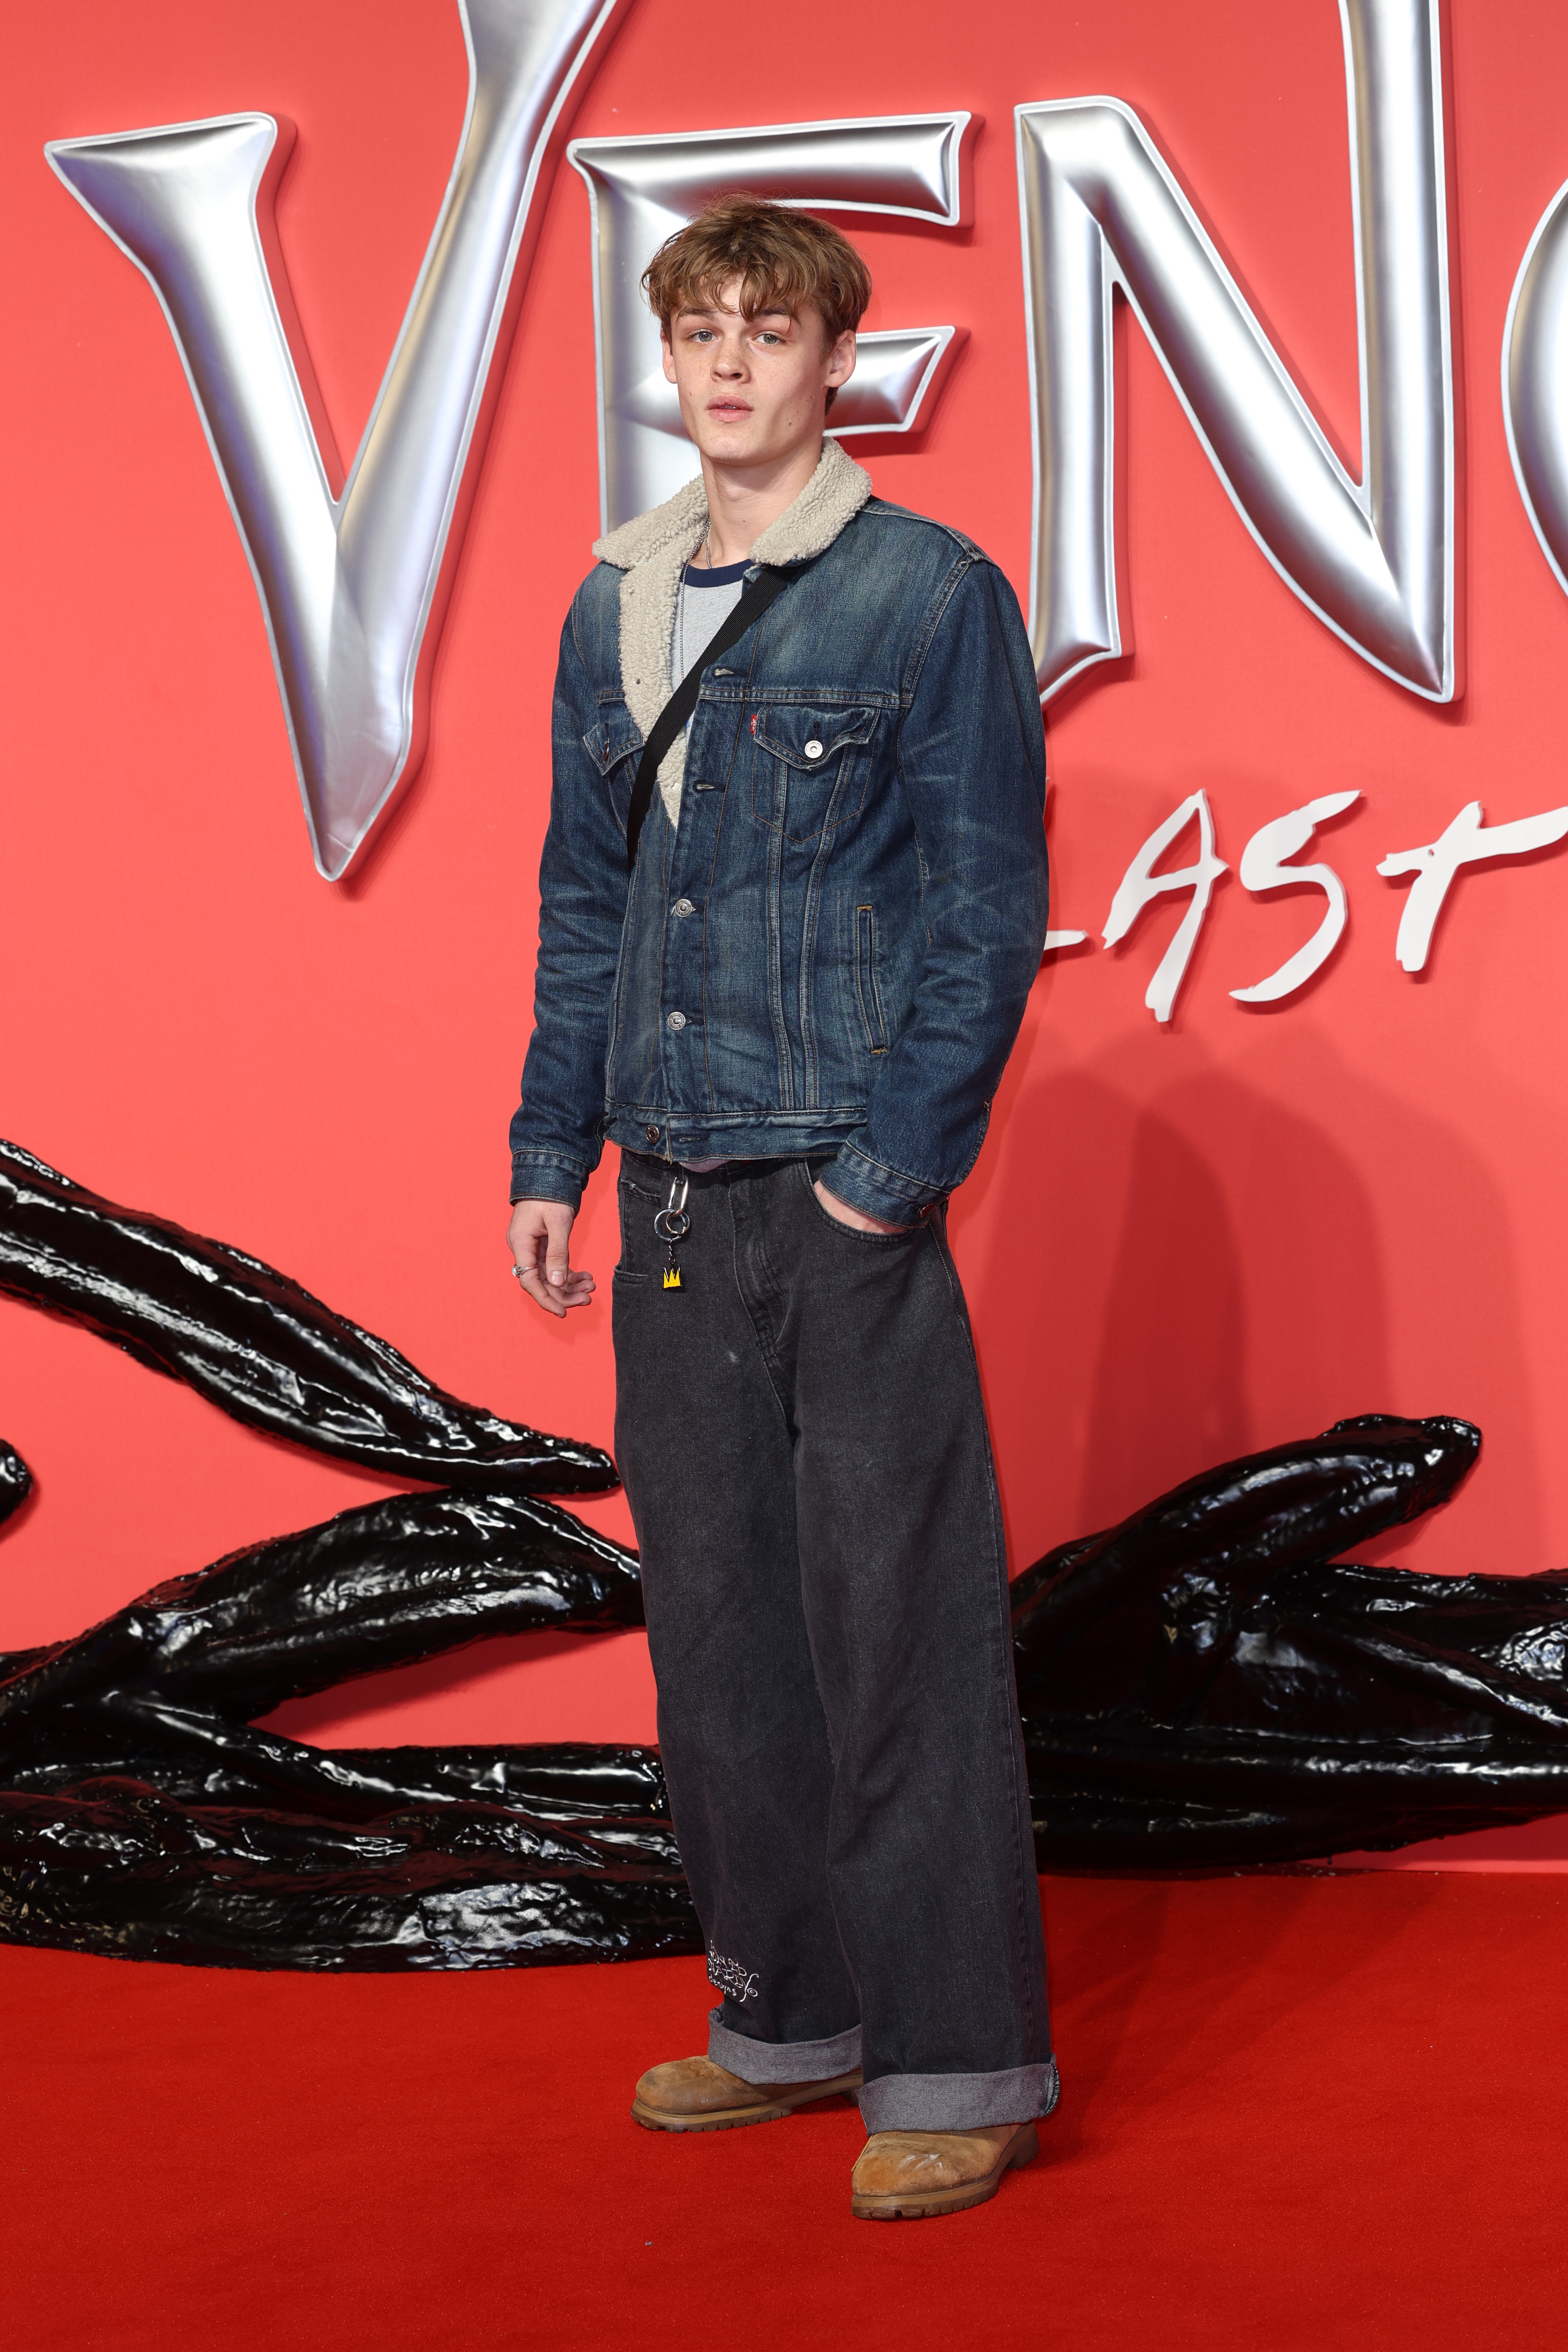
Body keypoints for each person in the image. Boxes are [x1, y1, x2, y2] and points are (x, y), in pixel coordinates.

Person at [506, 195, 1055, 2222]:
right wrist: (550, 1152)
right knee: (721, 1637)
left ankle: (959, 2062)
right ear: (672, 359)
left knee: (897, 1630)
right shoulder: (609, 606)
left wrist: (880, 1184)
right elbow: (588, 908)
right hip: (663, 1195)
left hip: (837, 1192)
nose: (731, 361)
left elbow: (987, 914)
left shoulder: (925, 593)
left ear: (841, 360)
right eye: (701, 329)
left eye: (772, 328)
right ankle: (788, 2019)